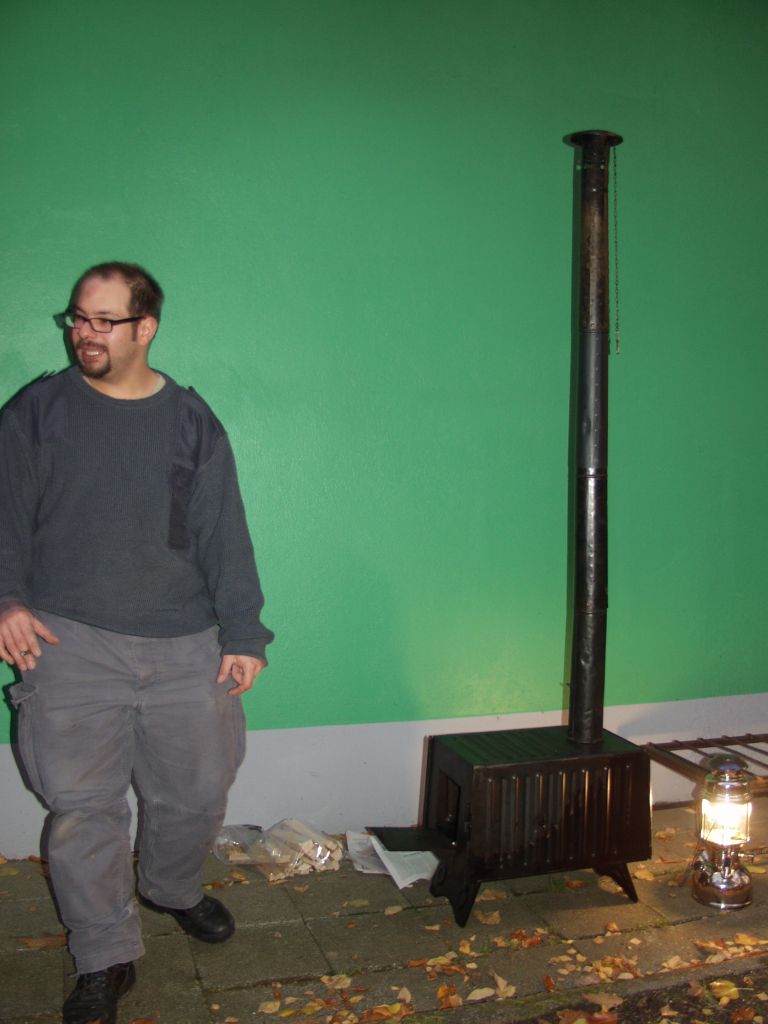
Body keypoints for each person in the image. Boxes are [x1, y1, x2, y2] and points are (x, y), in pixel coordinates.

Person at [0, 262, 274, 1024]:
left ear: (145, 328)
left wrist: (244, 631)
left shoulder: (191, 420)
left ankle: (168, 888)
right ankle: (104, 955)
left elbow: (225, 532)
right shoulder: (37, 412)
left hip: (187, 644)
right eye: (77, 318)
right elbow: (3, 514)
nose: (83, 333)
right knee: (83, 811)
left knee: (196, 794)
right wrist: (5, 600)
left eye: (103, 321)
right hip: (69, 641)